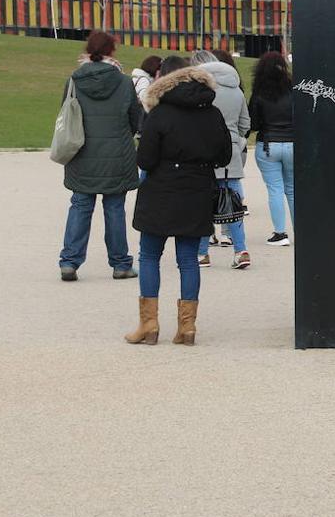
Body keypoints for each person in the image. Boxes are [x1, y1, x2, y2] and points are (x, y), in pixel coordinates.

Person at [126, 62, 233, 346]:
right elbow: (224, 156)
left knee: (149, 255)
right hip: (197, 188)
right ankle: (188, 326)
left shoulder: (160, 114)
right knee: (187, 259)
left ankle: (148, 323)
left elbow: (145, 159)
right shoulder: (212, 113)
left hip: (161, 189)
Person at [58, 31, 142, 282]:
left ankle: (69, 261)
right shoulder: (124, 81)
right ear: (111, 51)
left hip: (82, 151)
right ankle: (120, 263)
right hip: (117, 153)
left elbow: (66, 113)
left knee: (80, 205)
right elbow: (135, 120)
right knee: (114, 208)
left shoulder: (74, 79)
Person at [191, 51, 252, 270]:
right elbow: (245, 123)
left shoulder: (200, 89)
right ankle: (240, 250)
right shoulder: (236, 91)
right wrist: (236, 141)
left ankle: (202, 253)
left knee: (201, 205)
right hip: (231, 152)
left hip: (203, 152)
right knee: (232, 204)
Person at [249, 51, 295, 244]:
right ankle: (301, 230)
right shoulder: (293, 91)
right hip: (293, 143)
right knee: (292, 189)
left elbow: (253, 123)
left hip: (268, 143)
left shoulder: (259, 93)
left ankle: (280, 232)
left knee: (274, 189)